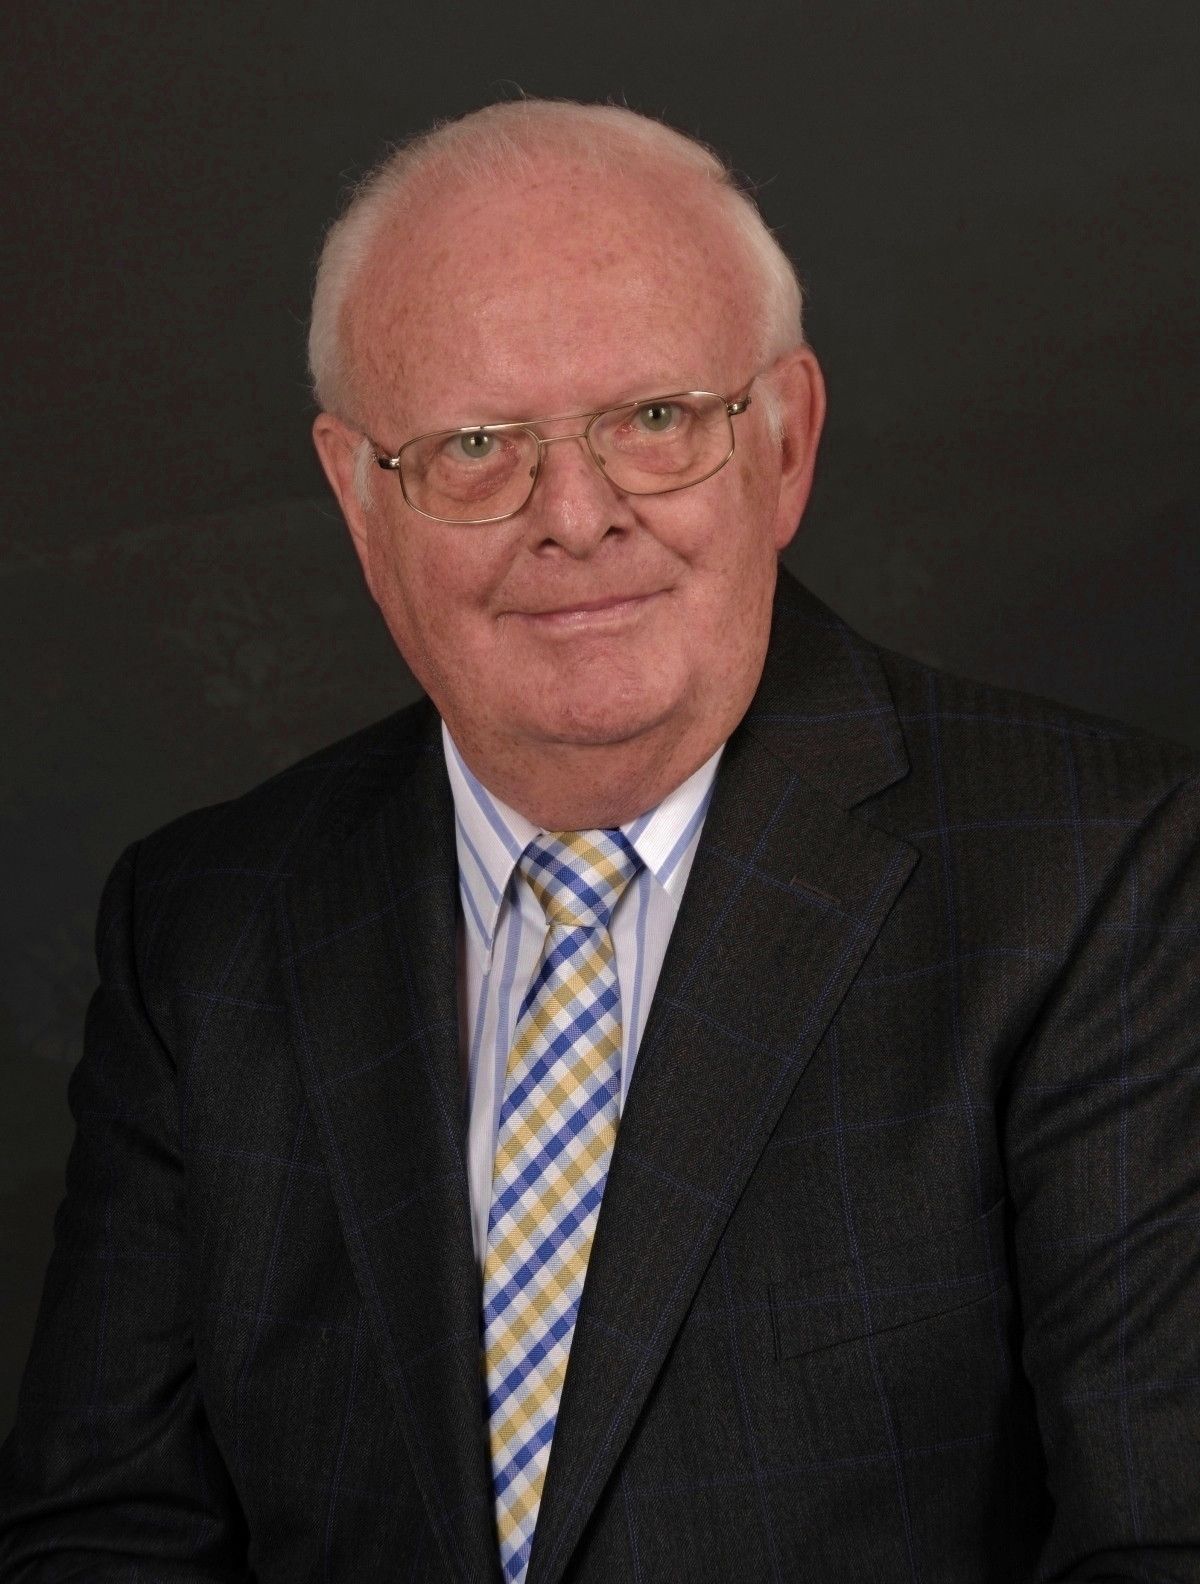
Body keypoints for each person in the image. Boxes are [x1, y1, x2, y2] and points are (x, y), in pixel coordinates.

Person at [1, 97, 1197, 1584]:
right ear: (359, 498)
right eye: (476, 445)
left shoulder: (1095, 874)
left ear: (785, 442)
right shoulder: (205, 926)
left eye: (655, 421)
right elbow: (105, 1538)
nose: (575, 516)